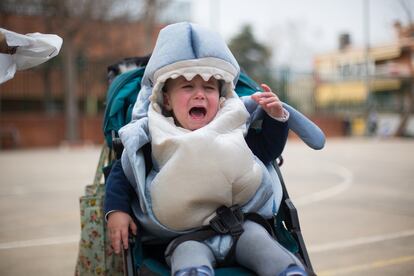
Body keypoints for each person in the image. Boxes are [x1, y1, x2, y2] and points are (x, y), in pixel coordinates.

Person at [105, 22, 308, 276]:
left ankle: (287, 271)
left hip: (243, 226)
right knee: (187, 255)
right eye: (188, 87)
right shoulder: (156, 136)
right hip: (184, 236)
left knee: (263, 245)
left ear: (221, 97)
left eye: (209, 88)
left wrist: (276, 119)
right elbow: (123, 172)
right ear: (166, 99)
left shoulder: (232, 127)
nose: (200, 95)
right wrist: (117, 211)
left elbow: (265, 152)